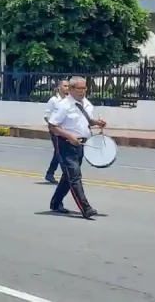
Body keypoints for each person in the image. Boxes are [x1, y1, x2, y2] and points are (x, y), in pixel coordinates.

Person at [47, 76, 105, 219]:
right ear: (71, 89)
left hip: (81, 144)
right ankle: (86, 208)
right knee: (75, 176)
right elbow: (52, 126)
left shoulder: (85, 103)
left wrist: (97, 122)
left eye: (84, 88)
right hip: (66, 144)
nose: (82, 91)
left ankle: (56, 203)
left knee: (68, 176)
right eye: (79, 88)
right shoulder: (63, 105)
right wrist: (69, 136)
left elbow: (87, 120)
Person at [43, 80, 69, 183]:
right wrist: (53, 126)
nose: (67, 88)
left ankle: (50, 173)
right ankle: (66, 174)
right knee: (60, 152)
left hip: (65, 131)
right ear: (59, 87)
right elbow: (46, 116)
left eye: (68, 86)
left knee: (59, 152)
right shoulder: (54, 100)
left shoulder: (69, 101)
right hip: (55, 130)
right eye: (65, 86)